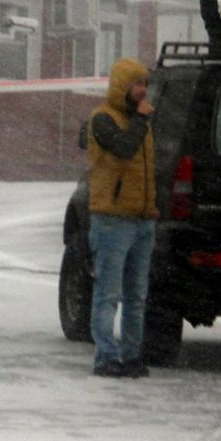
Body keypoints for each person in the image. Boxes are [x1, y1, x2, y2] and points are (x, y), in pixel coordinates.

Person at [85, 57, 157, 378]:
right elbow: (124, 149)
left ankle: (132, 356)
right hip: (112, 220)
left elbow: (144, 169)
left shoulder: (142, 123)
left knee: (136, 296)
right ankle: (106, 357)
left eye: (144, 84)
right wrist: (141, 122)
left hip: (142, 220)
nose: (142, 90)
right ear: (122, 87)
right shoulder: (102, 119)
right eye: (136, 84)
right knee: (108, 294)